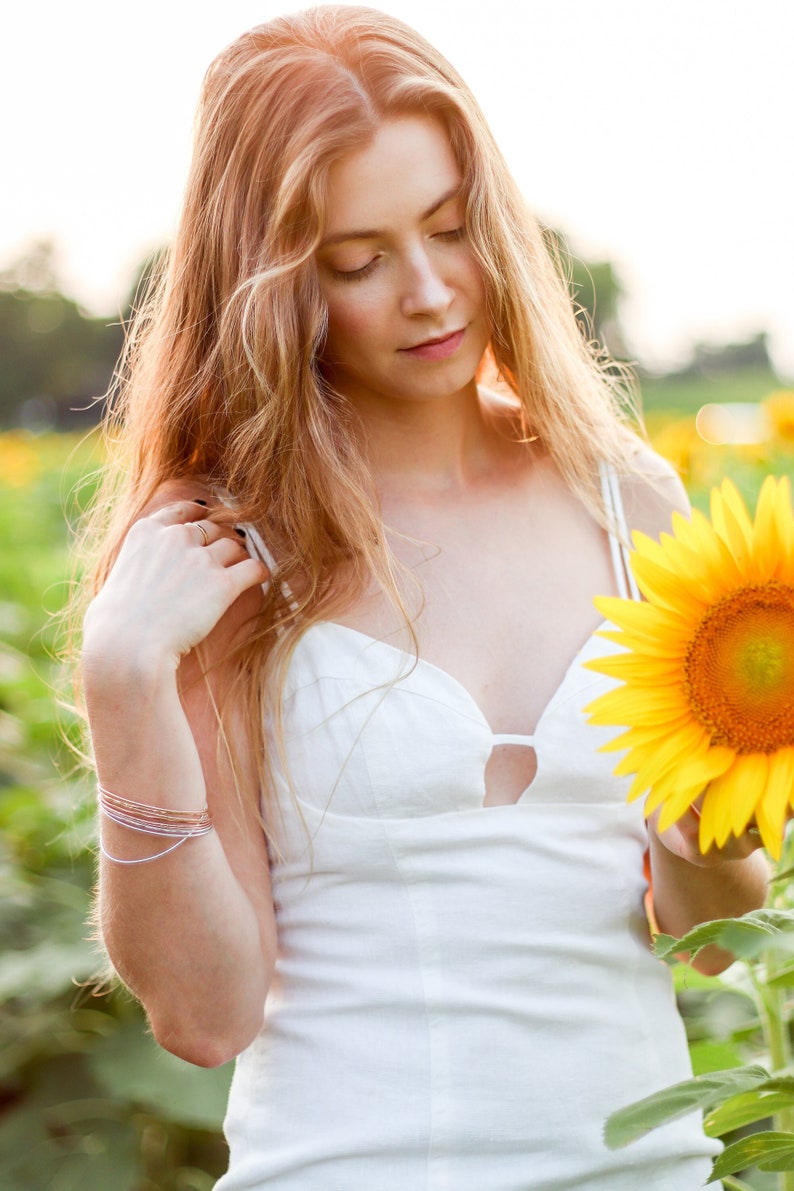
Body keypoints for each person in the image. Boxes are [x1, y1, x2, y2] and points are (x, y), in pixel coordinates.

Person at [78, 6, 769, 1188]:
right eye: (357, 261)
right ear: (273, 286)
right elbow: (205, 1017)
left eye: (450, 229)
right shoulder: (228, 554)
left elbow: (706, 939)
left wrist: (701, 834)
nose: (430, 290)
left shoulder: (628, 509)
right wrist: (123, 686)